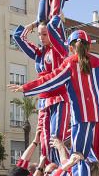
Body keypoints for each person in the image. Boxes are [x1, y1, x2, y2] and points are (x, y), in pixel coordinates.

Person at [15, 30, 99, 169]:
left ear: (70, 47)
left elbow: (51, 80)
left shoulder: (70, 63)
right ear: (89, 47)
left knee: (79, 156)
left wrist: (27, 88)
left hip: (81, 117)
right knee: (94, 156)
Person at [13, 16, 70, 165]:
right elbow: (18, 36)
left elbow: (57, 21)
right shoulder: (39, 54)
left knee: (56, 139)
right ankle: (47, 175)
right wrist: (34, 24)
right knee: (44, 143)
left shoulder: (60, 50)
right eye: (39, 34)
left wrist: (52, 21)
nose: (41, 37)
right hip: (43, 101)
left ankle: (62, 172)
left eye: (45, 34)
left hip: (59, 98)